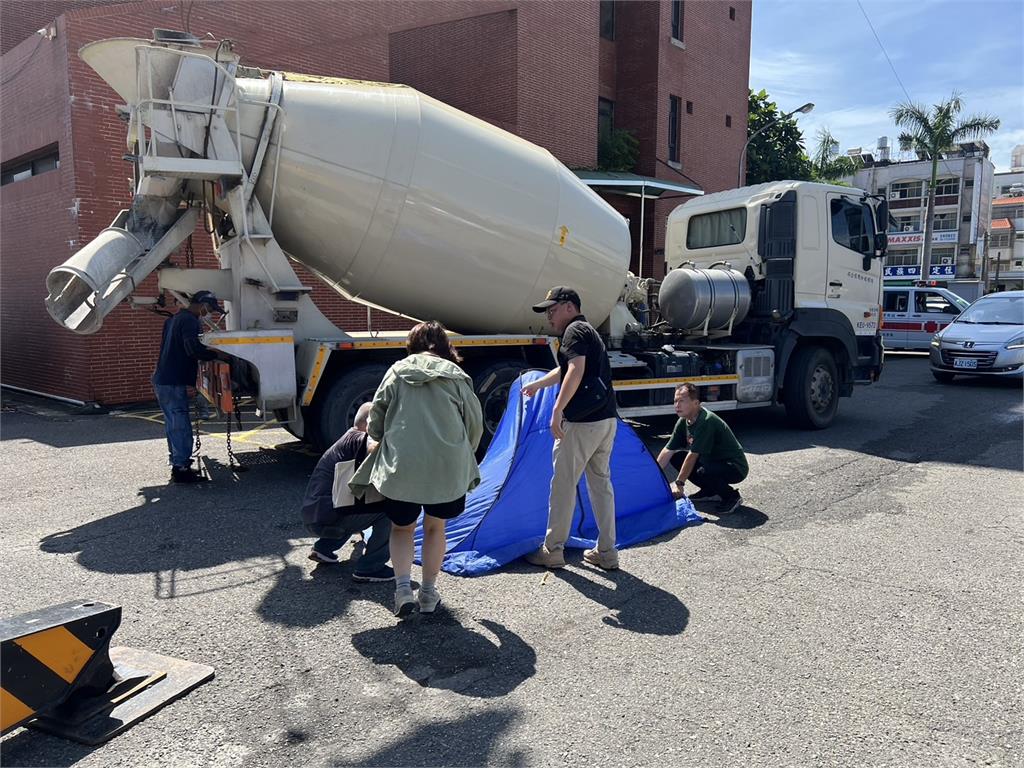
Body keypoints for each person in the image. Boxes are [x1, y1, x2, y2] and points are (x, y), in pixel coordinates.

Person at [349, 321, 484, 617]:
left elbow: (375, 422)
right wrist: (463, 454)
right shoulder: (458, 377)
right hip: (445, 467)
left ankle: (401, 590)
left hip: (402, 467)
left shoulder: (396, 372)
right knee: (436, 527)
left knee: (402, 528)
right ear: (443, 345)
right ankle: (428, 592)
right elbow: (474, 426)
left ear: (412, 344)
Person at [521, 286, 619, 571]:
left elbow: (575, 370)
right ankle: (607, 551)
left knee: (563, 485)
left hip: (582, 423)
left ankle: (553, 549)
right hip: (606, 420)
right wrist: (539, 384)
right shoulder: (589, 330)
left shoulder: (573, 332)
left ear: (569, 307)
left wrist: (557, 409)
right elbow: (568, 370)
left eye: (552, 310)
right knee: (601, 485)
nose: (549, 317)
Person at [300, 403, 394, 582]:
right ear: (370, 424)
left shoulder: (346, 439)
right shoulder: (359, 439)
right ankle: (371, 568)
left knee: (354, 507)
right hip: (331, 517)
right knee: (390, 511)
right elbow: (377, 450)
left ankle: (323, 549)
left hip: (316, 515)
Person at [152, 291, 223, 484]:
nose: (208, 314)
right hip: (173, 381)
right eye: (209, 310)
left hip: (163, 379)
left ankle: (176, 461)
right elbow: (193, 349)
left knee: (173, 424)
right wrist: (218, 355)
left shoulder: (172, 320)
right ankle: (181, 469)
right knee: (180, 425)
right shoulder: (191, 321)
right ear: (202, 306)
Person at [656, 383, 748, 515]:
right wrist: (653, 475)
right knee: (677, 458)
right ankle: (710, 490)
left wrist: (679, 484)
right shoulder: (683, 421)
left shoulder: (706, 421)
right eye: (675, 401)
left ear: (696, 403)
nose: (677, 405)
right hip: (712, 462)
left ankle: (731, 496)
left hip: (735, 467)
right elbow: (668, 450)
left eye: (682, 401)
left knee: (703, 470)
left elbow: (692, 456)